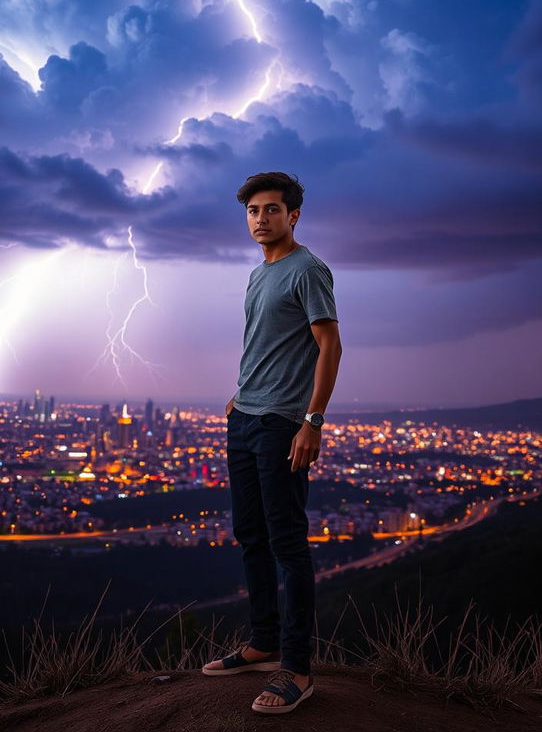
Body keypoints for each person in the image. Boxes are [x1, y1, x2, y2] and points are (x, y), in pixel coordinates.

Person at [202, 170, 342, 716]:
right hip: (246, 418)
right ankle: (263, 643)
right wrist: (240, 397)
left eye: (272, 210)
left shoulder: (308, 270)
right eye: (253, 211)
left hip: (283, 423)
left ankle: (298, 668)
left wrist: (313, 420)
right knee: (250, 534)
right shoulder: (259, 273)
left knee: (287, 542)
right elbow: (264, 344)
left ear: (294, 215)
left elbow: (328, 346)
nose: (261, 219)